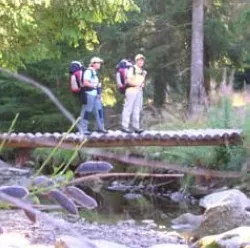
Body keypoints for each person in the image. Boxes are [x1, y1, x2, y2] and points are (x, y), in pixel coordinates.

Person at [80, 56, 108, 135]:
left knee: (99, 110)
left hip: (95, 95)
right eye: (98, 63)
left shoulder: (95, 73)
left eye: (100, 63)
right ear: (93, 64)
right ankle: (83, 129)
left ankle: (101, 128)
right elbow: (85, 82)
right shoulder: (88, 72)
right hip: (89, 94)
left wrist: (99, 93)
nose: (99, 64)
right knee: (86, 111)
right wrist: (94, 85)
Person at [121, 54, 147, 133]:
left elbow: (142, 82)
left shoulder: (142, 71)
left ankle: (136, 127)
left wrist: (142, 84)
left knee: (137, 109)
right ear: (136, 61)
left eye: (142, 60)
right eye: (139, 60)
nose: (141, 62)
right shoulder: (132, 69)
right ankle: (125, 126)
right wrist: (137, 84)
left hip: (139, 91)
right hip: (131, 90)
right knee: (128, 108)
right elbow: (128, 80)